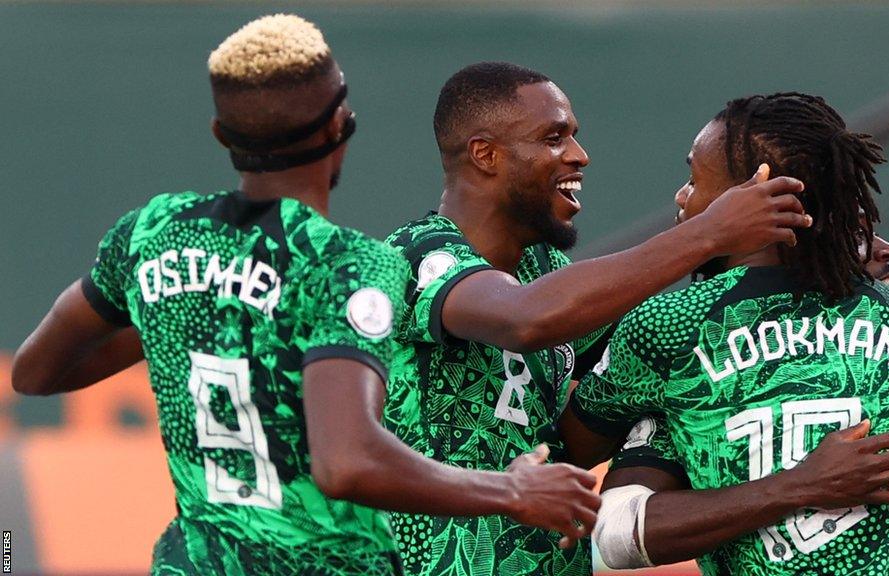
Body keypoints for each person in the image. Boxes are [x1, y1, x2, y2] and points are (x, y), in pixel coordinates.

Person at [11, 17, 600, 575]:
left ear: (221, 134)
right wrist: (511, 490)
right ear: (339, 125)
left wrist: (193, 317)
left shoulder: (154, 232)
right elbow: (347, 462)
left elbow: (35, 372)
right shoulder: (348, 265)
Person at [382, 62, 812, 576]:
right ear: (485, 154)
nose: (578, 156)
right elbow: (525, 319)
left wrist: (829, 273)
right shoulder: (414, 257)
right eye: (553, 137)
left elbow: (657, 344)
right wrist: (709, 234)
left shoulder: (541, 270)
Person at [563, 92, 889, 575]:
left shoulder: (669, 326)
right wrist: (851, 532)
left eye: (694, 179)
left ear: (754, 195)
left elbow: (590, 488)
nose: (682, 197)